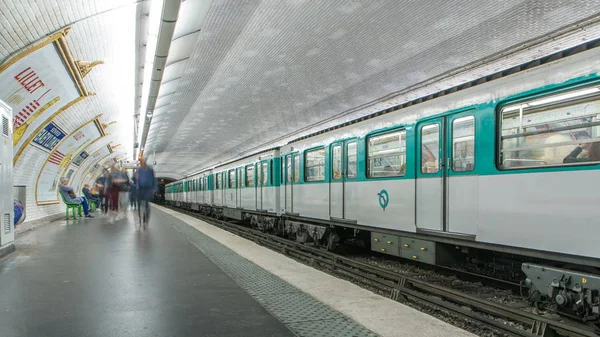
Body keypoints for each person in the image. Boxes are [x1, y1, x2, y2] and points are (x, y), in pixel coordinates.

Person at [134, 158, 158, 226]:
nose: (142, 163)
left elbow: (154, 180)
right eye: (141, 162)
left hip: (148, 190)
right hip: (140, 190)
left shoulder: (150, 170)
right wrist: (135, 178)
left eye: (143, 162)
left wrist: (154, 188)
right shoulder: (138, 170)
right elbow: (133, 181)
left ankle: (145, 220)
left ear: (145, 162)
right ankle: (140, 218)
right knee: (139, 205)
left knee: (147, 206)